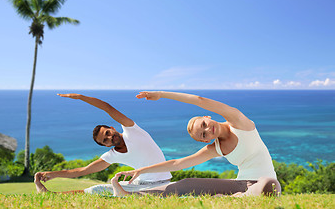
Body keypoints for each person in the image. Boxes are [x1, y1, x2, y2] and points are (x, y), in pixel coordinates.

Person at [112, 91, 281, 197]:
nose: (208, 130)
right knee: (186, 183)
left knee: (269, 184)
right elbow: (178, 163)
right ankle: (128, 195)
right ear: (205, 141)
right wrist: (140, 170)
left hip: (266, 183)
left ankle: (234, 198)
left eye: (204, 125)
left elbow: (199, 100)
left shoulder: (239, 122)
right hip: (241, 183)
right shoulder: (216, 148)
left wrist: (161, 94)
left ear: (207, 117)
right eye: (203, 134)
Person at [34, 93, 172, 194]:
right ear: (106, 146)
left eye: (107, 133)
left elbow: (107, 108)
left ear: (112, 128)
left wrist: (81, 97)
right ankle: (50, 195)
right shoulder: (112, 155)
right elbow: (83, 171)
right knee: (96, 189)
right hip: (138, 185)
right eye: (105, 140)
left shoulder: (132, 130)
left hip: (163, 183)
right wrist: (53, 174)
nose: (109, 138)